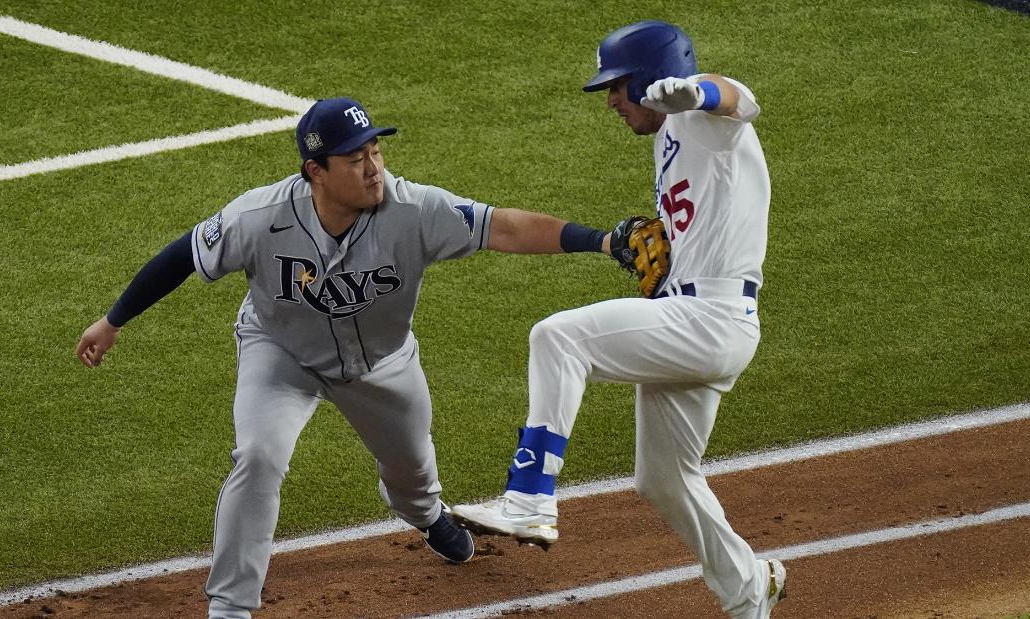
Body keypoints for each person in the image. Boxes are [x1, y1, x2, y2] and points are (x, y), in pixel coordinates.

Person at [75, 97, 611, 619]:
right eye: (356, 159)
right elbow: (184, 254)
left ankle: (427, 517)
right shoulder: (260, 215)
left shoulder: (415, 209)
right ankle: (231, 606)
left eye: (376, 151)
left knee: (412, 473)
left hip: (383, 361)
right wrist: (113, 320)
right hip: (280, 352)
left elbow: (506, 227)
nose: (374, 167)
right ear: (316, 170)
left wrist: (602, 242)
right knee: (259, 457)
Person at [450, 21, 787, 618]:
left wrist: (697, 93)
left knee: (558, 337)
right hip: (689, 312)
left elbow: (738, 98)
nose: (610, 100)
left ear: (656, 77)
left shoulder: (707, 121)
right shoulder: (667, 142)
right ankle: (749, 589)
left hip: (711, 316)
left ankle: (529, 498)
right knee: (664, 479)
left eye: (619, 86)